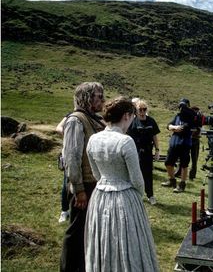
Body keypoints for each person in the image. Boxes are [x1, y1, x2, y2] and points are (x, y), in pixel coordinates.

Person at [85, 97, 160, 272]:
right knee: (128, 242)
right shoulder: (125, 141)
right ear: (127, 115)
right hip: (124, 199)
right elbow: (137, 179)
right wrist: (136, 196)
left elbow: (96, 174)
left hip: (100, 197)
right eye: (133, 116)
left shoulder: (93, 139)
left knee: (104, 239)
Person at [60, 82, 106, 272]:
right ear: (86, 98)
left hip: (95, 184)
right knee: (77, 233)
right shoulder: (76, 120)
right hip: (84, 186)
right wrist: (78, 190)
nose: (102, 99)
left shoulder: (94, 119)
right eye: (98, 96)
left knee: (90, 232)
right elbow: (71, 157)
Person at [127, 98, 161, 205]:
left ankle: (150, 195)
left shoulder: (151, 121)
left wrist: (157, 150)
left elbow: (154, 136)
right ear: (136, 110)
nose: (142, 112)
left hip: (147, 152)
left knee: (148, 174)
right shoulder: (132, 122)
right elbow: (127, 137)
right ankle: (137, 195)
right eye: (140, 110)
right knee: (136, 173)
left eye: (144, 109)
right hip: (135, 151)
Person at [161, 98, 195, 193]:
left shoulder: (191, 117)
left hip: (184, 144)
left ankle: (182, 184)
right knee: (168, 163)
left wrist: (175, 128)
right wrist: (173, 127)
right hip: (174, 144)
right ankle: (172, 180)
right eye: (180, 106)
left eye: (183, 106)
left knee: (184, 165)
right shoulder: (177, 116)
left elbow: (184, 128)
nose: (181, 109)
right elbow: (168, 125)